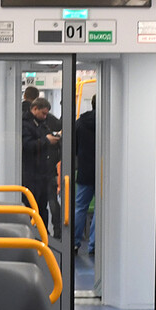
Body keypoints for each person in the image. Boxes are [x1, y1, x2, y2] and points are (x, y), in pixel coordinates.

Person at [21, 91, 60, 231]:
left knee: (43, 207)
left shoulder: (41, 124)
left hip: (43, 174)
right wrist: (46, 141)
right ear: (35, 108)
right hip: (30, 174)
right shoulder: (25, 124)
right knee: (32, 207)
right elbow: (27, 145)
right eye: (43, 113)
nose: (45, 117)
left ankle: (44, 234)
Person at [72, 98, 96, 255]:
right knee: (101, 210)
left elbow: (73, 148)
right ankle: (95, 245)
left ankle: (74, 243)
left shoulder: (80, 123)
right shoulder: (108, 122)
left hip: (84, 171)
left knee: (80, 208)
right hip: (104, 173)